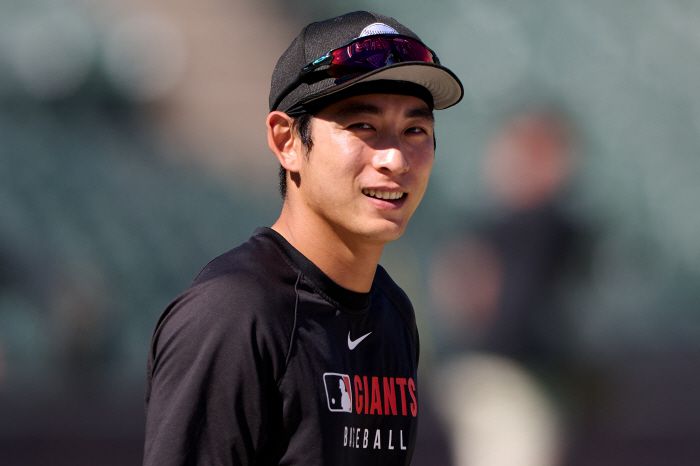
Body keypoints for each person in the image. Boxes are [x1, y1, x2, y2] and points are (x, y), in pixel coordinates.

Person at [143, 10, 463, 466]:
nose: (394, 157)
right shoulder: (232, 315)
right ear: (287, 140)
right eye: (363, 127)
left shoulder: (392, 312)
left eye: (415, 130)